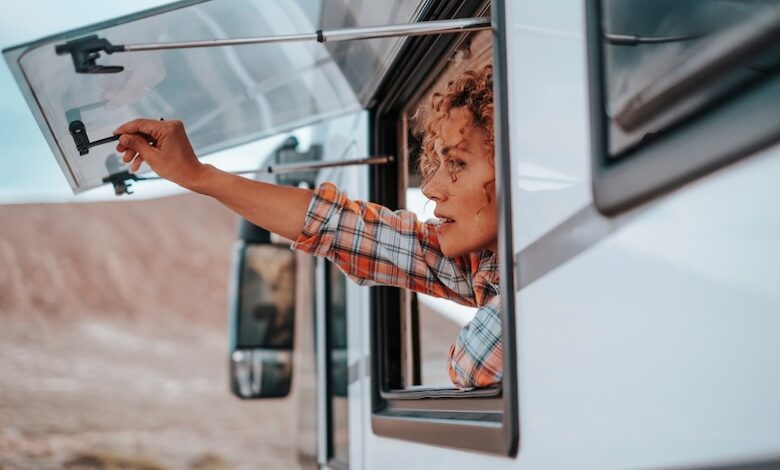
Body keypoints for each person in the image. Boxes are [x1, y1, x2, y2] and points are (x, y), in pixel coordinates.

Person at [113, 65, 501, 389]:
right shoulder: (478, 266)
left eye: (458, 164)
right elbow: (340, 227)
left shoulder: (536, 280)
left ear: (515, 171)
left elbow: (472, 364)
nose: (432, 189)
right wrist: (198, 176)